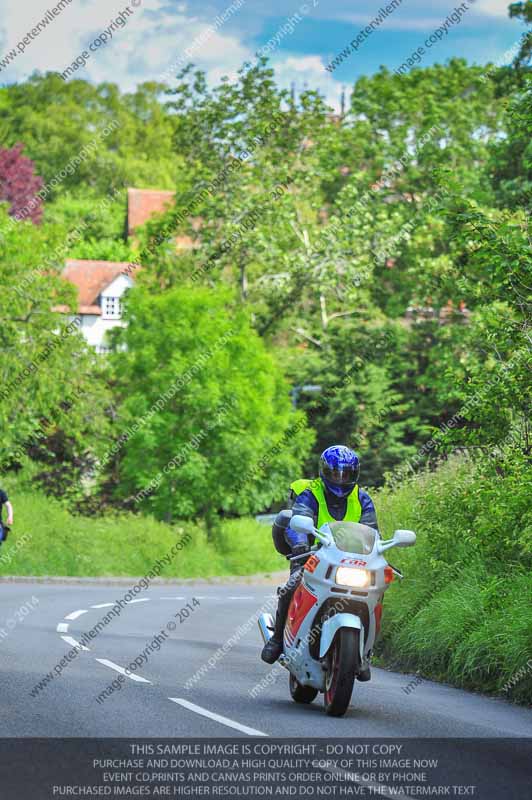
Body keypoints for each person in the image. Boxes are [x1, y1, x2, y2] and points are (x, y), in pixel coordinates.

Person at [261, 445, 379, 667]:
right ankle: (277, 640)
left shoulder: (362, 499)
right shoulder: (311, 494)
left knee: (374, 594)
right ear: (325, 472)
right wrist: (299, 545)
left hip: (349, 562)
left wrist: (377, 552)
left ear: (355, 474)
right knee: (290, 587)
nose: (341, 479)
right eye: (336, 473)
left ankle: (364, 653)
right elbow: (298, 520)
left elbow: (372, 531)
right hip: (312, 557)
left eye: (347, 474)